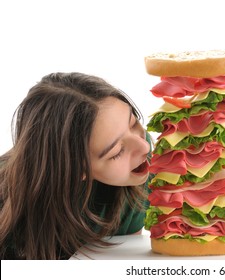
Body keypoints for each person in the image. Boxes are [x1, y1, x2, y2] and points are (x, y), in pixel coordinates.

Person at [0, 72, 152, 259]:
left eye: (133, 123)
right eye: (117, 151)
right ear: (78, 170)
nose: (144, 146)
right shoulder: (12, 207)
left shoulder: (142, 162)